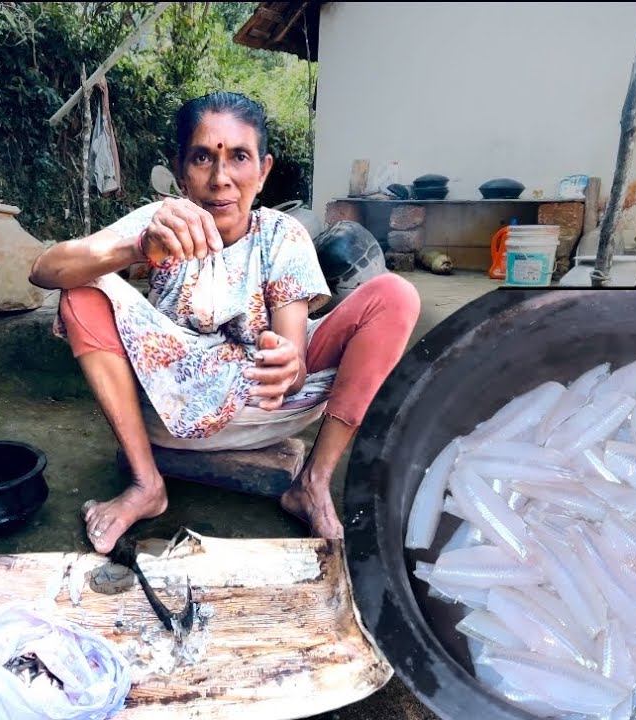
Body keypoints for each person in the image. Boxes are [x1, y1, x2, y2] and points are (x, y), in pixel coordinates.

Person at [29, 91, 421, 554]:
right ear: (179, 171)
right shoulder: (161, 222)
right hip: (167, 407)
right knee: (80, 290)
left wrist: (286, 364)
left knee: (395, 295)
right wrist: (138, 247)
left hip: (265, 410)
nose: (221, 179)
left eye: (239, 157)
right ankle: (146, 484)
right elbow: (43, 270)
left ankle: (312, 483)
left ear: (264, 170)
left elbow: (291, 373)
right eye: (202, 158)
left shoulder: (281, 234)